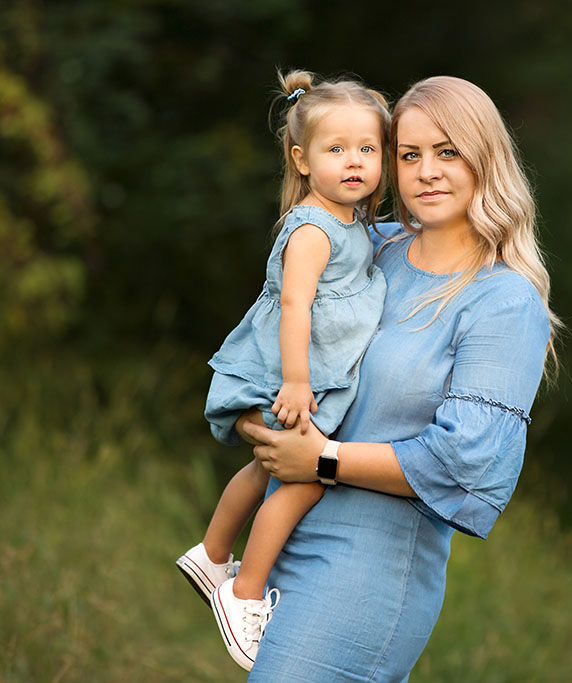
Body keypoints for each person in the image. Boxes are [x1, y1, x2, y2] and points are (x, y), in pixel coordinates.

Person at [234, 75, 561, 681]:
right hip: (285, 544)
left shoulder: (502, 301)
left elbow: (464, 457)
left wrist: (324, 458)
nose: (427, 171)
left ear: (485, 160)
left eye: (448, 152)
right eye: (409, 155)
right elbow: (274, 340)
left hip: (370, 571)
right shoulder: (370, 248)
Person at [175, 69, 390, 671]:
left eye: (368, 149)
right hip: (288, 373)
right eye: (336, 149)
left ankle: (213, 553)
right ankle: (243, 593)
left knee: (266, 464)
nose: (354, 162)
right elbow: (295, 305)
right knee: (302, 479)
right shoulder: (315, 229)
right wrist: (295, 380)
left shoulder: (354, 224)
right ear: (301, 160)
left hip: (302, 374)